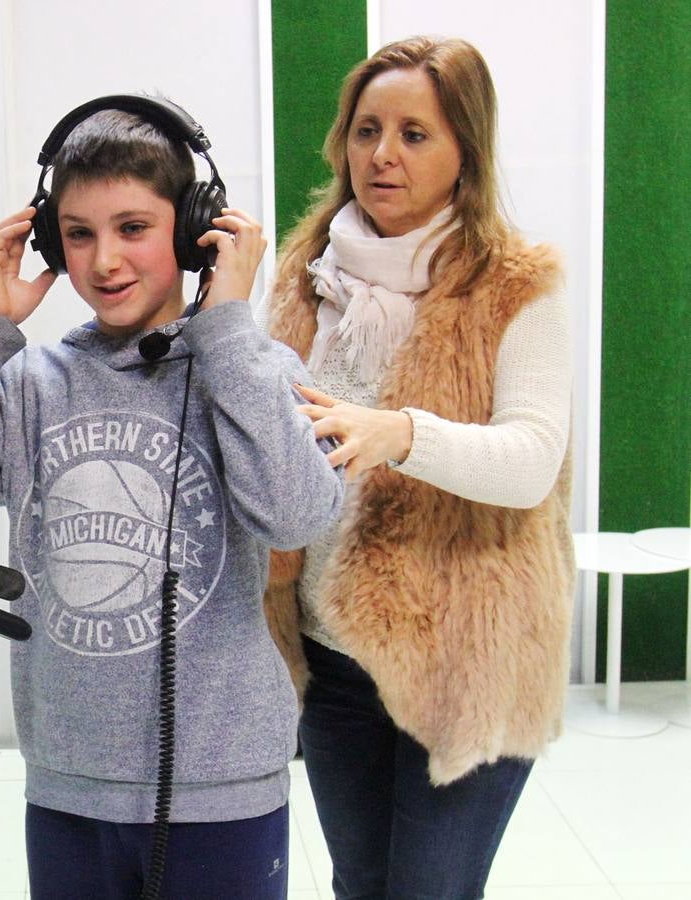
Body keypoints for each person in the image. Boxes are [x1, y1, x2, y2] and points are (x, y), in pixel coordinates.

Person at [0, 97, 344, 898]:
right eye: (79, 234)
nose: (104, 261)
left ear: (195, 233)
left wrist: (224, 327)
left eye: (133, 228)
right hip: (68, 784)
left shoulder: (250, 373)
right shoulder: (31, 387)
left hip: (224, 789)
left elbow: (297, 513)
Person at [260, 36, 573, 900]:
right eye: (366, 131)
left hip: (468, 661)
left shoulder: (515, 287)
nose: (382, 155)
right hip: (333, 655)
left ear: (466, 151)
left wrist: (403, 431)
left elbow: (531, 462)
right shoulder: (304, 277)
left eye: (413, 134)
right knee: (360, 885)